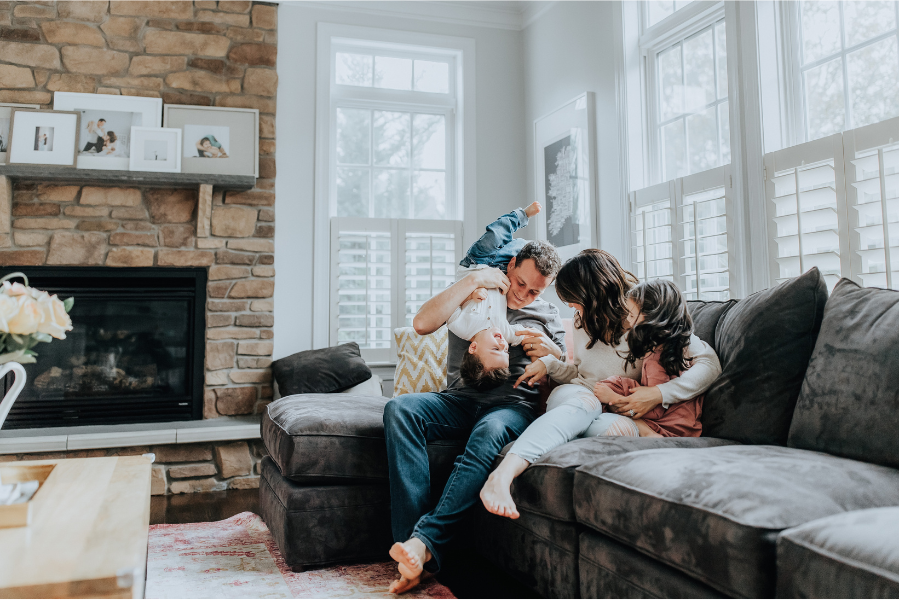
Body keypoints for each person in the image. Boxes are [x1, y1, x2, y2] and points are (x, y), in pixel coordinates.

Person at [479, 249, 721, 520]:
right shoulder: (583, 321)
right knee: (585, 404)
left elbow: (710, 365)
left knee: (609, 429)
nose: (571, 309)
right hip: (580, 395)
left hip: (614, 411)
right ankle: (503, 475)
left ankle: (547, 444)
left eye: (574, 301)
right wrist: (550, 364)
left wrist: (658, 394)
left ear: (594, 294)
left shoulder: (643, 313)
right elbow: (580, 375)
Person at [384, 239, 566, 594]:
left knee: (488, 432)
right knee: (399, 409)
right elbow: (422, 324)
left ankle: (423, 543)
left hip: (512, 407)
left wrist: (553, 353)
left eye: (535, 291)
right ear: (510, 266)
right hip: (459, 399)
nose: (523, 295)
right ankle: (411, 549)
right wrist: (473, 281)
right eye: (520, 284)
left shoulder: (547, 315)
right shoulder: (475, 291)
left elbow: (565, 373)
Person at [589, 278, 704, 438]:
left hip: (672, 427)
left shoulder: (656, 359)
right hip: (686, 424)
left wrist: (613, 398)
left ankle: (648, 434)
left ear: (651, 318)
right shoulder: (674, 348)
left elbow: (655, 410)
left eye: (631, 315)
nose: (628, 321)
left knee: (613, 392)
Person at [450, 202, 543, 388]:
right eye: (506, 351)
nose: (502, 343)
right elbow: (528, 335)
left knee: (496, 233)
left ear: (474, 348)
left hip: (475, 263)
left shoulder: (461, 327)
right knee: (525, 249)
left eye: (495, 349)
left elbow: (450, 301)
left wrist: (470, 296)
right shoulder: (505, 332)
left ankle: (522, 215)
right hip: (500, 269)